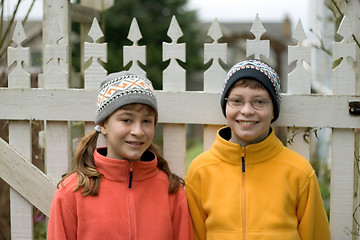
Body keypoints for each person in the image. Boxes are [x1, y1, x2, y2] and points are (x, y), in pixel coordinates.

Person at [185, 59, 330, 240]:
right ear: (225, 105)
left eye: (259, 101)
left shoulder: (299, 172)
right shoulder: (200, 170)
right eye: (237, 101)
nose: (246, 110)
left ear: (274, 109)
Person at [47, 71, 193, 240]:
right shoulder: (72, 192)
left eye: (146, 121)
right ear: (103, 124)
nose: (138, 132)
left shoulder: (171, 191)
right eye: (126, 120)